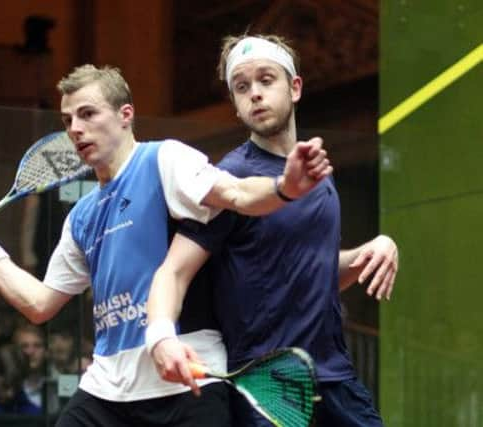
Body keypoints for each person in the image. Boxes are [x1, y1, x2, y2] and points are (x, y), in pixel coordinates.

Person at [0, 63, 332, 427]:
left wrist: (284, 187)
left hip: (188, 378)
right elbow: (40, 305)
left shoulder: (164, 159)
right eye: (68, 120)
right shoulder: (81, 215)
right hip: (106, 390)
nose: (76, 129)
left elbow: (236, 191)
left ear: (125, 114)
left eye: (87, 114)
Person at [146, 34, 399, 427]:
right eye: (242, 87)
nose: (255, 95)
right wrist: (161, 336)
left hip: (335, 378)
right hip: (269, 388)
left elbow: (318, 272)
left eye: (266, 80)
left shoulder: (317, 175)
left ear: (294, 87)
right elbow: (174, 271)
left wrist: (374, 249)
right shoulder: (228, 180)